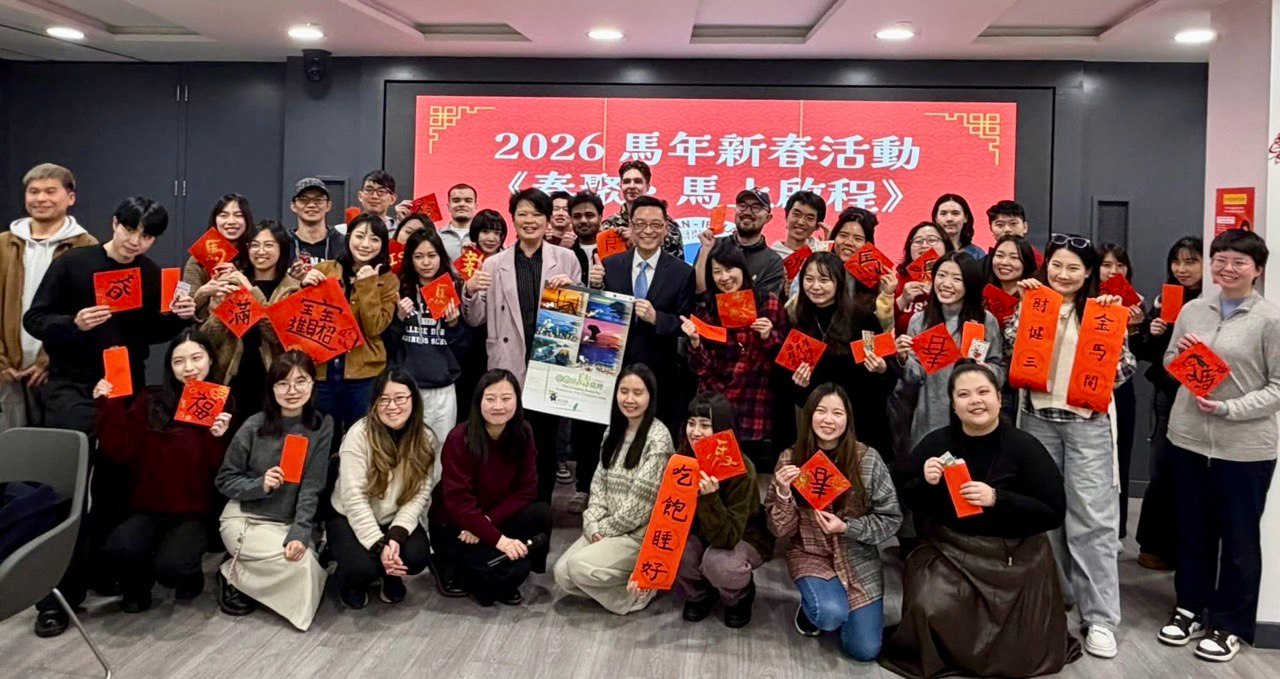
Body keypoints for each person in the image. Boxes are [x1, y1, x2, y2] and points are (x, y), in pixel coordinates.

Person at [24, 196, 196, 638]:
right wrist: (74, 323)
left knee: (119, 485)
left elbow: (150, 331)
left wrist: (177, 319)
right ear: (114, 223)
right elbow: (35, 318)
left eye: (147, 235)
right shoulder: (74, 263)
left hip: (127, 385)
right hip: (74, 385)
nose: (136, 242)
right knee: (68, 488)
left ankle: (116, 576)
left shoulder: (152, 272)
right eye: (130, 230)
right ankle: (56, 595)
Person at [881, 361, 1078, 678]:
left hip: (1016, 555)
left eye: (984, 392)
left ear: (999, 399)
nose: (975, 400)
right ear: (954, 405)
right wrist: (925, 482)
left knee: (1024, 646)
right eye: (964, 394)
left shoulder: (1026, 447)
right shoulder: (936, 443)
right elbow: (906, 495)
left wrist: (998, 499)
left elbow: (1053, 511)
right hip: (950, 549)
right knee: (927, 603)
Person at [1005, 233, 1134, 660]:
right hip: (1038, 420)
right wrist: (1021, 311)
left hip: (1087, 424)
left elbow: (1125, 370)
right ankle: (1056, 598)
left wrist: (1113, 338)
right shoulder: (1032, 304)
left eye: (1073, 268)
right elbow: (1010, 357)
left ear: (1088, 274)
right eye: (1056, 266)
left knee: (1093, 520)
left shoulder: (1102, 311)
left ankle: (1100, 618)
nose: (1063, 274)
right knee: (1046, 514)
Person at [1155, 229, 1280, 662]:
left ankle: (1229, 624)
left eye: (1239, 262)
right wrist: (1183, 353)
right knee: (1192, 531)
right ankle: (1190, 607)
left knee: (1240, 538)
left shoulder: (1270, 320)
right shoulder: (1193, 310)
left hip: (1245, 447)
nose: (1228, 269)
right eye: (1220, 260)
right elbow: (1171, 363)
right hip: (1187, 438)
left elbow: (1278, 388)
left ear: (1258, 270)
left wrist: (1231, 410)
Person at [95, 330, 232, 612]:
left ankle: (188, 576)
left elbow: (223, 472)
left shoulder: (223, 403)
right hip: (148, 507)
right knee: (119, 547)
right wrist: (110, 403)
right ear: (169, 366)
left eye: (196, 358)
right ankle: (137, 585)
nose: (189, 368)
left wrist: (216, 437)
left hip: (193, 512)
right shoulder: (151, 399)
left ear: (210, 361)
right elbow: (121, 450)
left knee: (173, 566)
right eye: (179, 361)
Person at [462, 188, 581, 502]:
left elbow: (582, 320)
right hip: (507, 362)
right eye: (523, 214)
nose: (530, 221)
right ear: (513, 220)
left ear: (547, 220)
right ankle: (505, 505)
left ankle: (539, 507)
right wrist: (470, 290)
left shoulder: (567, 259)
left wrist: (575, 291)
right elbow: (474, 320)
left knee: (544, 442)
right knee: (506, 441)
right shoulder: (493, 264)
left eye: (537, 214)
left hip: (550, 364)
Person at [767, 384, 901, 661]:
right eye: (821, 411)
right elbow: (780, 529)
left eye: (837, 413)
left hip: (857, 557)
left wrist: (847, 527)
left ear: (848, 419)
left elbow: (891, 520)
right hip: (810, 552)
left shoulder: (868, 459)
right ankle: (812, 608)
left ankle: (838, 607)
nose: (828, 420)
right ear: (808, 416)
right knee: (828, 615)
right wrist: (782, 492)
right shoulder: (790, 459)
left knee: (864, 651)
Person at [215, 351, 333, 630]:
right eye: (282, 383)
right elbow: (225, 480)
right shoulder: (254, 425)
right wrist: (260, 484)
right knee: (303, 569)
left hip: (287, 521)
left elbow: (312, 487)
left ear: (313, 384)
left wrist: (300, 532)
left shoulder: (320, 425)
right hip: (246, 518)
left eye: (301, 381)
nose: (292, 390)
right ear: (271, 388)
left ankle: (241, 570)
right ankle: (232, 573)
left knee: (302, 563)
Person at [555, 364, 674, 614]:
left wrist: (603, 529)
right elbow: (598, 483)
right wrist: (592, 521)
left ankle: (638, 593)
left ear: (650, 397)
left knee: (578, 568)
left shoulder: (658, 438)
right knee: (562, 575)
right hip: (607, 526)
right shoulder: (613, 430)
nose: (629, 399)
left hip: (637, 535)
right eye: (624, 391)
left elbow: (639, 508)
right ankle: (624, 585)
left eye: (638, 393)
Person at [430, 369, 551, 606]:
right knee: (493, 586)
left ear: (517, 400)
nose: (498, 406)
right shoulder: (459, 438)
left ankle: (500, 567)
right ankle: (445, 563)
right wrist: (500, 540)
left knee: (541, 514)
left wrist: (487, 523)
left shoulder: (524, 432)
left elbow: (528, 489)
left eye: (506, 399)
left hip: (491, 520)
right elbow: (458, 503)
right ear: (478, 401)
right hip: (458, 525)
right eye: (490, 399)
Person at [328, 370, 436, 609]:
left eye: (400, 398)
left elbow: (419, 493)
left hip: (392, 518)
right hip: (348, 516)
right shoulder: (359, 435)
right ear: (374, 402)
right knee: (362, 567)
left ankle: (390, 573)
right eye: (384, 399)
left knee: (418, 557)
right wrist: (379, 546)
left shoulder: (425, 437)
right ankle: (350, 581)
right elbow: (354, 499)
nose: (392, 406)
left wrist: (396, 536)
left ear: (413, 400)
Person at [0, 163, 96, 432]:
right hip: (7, 372)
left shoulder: (87, 247)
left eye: (50, 191)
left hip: (60, 375)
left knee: (52, 453)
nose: (41, 199)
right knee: (9, 452)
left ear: (70, 198)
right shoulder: (3, 245)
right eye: (34, 191)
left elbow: (89, 315)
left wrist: (48, 361)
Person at [591, 195, 696, 434]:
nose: (648, 231)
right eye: (640, 224)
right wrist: (594, 286)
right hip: (612, 372)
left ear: (666, 228)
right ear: (630, 226)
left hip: (659, 374)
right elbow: (598, 318)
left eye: (656, 225)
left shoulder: (682, 272)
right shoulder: (611, 266)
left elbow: (685, 323)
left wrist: (656, 318)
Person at [1132, 236, 1203, 570]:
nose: (1182, 269)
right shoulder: (1166, 299)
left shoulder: (1211, 304)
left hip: (1205, 398)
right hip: (1168, 395)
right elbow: (1145, 354)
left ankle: (1186, 551)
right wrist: (1151, 330)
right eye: (1177, 261)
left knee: (1196, 476)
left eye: (1191, 261)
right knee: (1163, 469)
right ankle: (1153, 545)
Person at [682, 240, 787, 466]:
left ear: (742, 269)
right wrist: (695, 342)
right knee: (713, 473)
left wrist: (769, 337)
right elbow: (702, 369)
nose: (724, 277)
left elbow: (782, 360)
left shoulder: (767, 303)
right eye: (717, 272)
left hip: (754, 408)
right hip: (715, 411)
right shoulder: (707, 309)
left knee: (750, 474)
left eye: (730, 269)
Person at [675, 392, 774, 628]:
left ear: (721, 429)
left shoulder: (743, 468)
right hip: (704, 534)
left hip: (743, 537)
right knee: (677, 547)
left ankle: (739, 596)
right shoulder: (682, 460)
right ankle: (700, 593)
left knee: (718, 563)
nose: (695, 432)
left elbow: (727, 538)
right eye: (691, 423)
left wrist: (710, 498)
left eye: (705, 425)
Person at [788, 252, 897, 459]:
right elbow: (796, 393)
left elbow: (890, 377)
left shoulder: (863, 318)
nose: (815, 286)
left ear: (838, 282)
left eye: (824, 279)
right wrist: (799, 384)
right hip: (821, 427)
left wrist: (881, 368)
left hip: (862, 424)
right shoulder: (799, 322)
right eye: (809, 280)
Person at [299, 212, 398, 437]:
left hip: (363, 375)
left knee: (362, 438)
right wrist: (304, 286)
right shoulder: (326, 270)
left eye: (374, 239)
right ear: (349, 236)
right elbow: (304, 318)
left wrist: (367, 285)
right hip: (322, 372)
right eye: (360, 236)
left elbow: (374, 328)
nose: (365, 244)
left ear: (383, 246)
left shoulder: (388, 280)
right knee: (322, 438)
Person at [894, 252, 1005, 450]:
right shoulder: (920, 321)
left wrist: (984, 369)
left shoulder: (985, 320)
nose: (946, 283)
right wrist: (902, 358)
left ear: (970, 284)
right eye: (941, 275)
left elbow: (999, 368)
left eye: (957, 279)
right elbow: (914, 376)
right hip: (931, 416)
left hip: (975, 416)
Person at [201, 220, 299, 426]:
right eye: (254, 245)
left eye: (269, 245)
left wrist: (250, 292)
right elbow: (208, 338)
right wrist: (220, 308)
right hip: (231, 375)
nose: (260, 251)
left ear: (282, 249)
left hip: (273, 378)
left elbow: (276, 334)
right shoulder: (231, 282)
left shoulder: (292, 288)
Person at [386, 228, 469, 459]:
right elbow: (385, 346)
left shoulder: (453, 288)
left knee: (441, 449)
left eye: (431, 256)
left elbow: (464, 349)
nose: (425, 263)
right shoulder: (398, 289)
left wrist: (453, 325)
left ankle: (435, 495)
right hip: (406, 386)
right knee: (404, 447)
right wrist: (399, 320)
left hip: (442, 385)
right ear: (409, 259)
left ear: (441, 257)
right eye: (418, 256)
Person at [1098, 243, 1144, 540]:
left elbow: (1139, 356)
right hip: (1084, 391)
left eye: (1120, 265)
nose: (1113, 271)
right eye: (1106, 264)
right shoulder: (1080, 299)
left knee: (1119, 459)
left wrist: (1138, 327)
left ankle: (1117, 532)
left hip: (1120, 390)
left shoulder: (1134, 301)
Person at [454, 208, 508, 423]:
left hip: (502, 335)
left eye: (497, 232)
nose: (491, 238)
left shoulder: (511, 261)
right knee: (469, 395)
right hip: (470, 340)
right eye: (486, 231)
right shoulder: (463, 264)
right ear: (476, 233)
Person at [694, 188, 786, 299]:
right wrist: (705, 250)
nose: (747, 212)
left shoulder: (773, 261)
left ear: (768, 218)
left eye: (756, 207)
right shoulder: (713, 246)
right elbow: (696, 291)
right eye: (742, 206)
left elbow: (766, 302)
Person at [184, 193, 255, 319]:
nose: (231, 221)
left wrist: (240, 278)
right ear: (215, 220)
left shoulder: (256, 254)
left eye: (238, 215)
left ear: (247, 220)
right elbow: (184, 309)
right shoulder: (198, 258)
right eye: (224, 215)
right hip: (205, 331)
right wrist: (203, 292)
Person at [823, 208, 896, 330]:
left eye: (858, 239)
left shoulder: (879, 280)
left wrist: (887, 295)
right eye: (843, 235)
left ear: (868, 245)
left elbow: (884, 329)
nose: (848, 242)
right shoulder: (818, 267)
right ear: (834, 237)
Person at [600, 160, 684, 260]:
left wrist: (638, 242)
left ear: (647, 187)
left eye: (637, 181)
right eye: (627, 182)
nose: (632, 186)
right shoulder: (609, 227)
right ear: (621, 186)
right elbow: (604, 265)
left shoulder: (668, 226)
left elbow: (676, 268)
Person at [894, 222, 954, 335]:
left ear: (945, 245)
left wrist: (936, 295)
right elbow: (882, 323)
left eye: (932, 240)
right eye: (918, 241)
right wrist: (903, 299)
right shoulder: (899, 278)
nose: (924, 245)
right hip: (905, 348)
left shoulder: (958, 275)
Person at [288, 177, 344, 263]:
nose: (311, 205)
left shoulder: (342, 243)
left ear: (328, 205)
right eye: (304, 200)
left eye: (318, 200)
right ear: (293, 206)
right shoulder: (283, 243)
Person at [770, 190, 826, 259]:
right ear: (787, 216)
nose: (801, 222)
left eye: (809, 218)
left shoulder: (822, 254)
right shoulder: (771, 256)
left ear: (817, 225)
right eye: (796, 214)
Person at [340, 170, 398, 235]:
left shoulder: (399, 233)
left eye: (381, 191)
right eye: (369, 190)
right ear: (360, 196)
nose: (374, 196)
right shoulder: (341, 232)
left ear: (392, 199)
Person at [986, 200, 1041, 266]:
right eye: (1000, 224)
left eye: (1013, 223)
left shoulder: (1039, 261)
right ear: (991, 229)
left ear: (1025, 227)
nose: (1007, 230)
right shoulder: (983, 263)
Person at [933, 194, 984, 259]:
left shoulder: (977, 254)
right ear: (936, 219)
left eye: (955, 213)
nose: (949, 219)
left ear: (965, 218)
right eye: (943, 213)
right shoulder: (927, 250)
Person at [566, 190, 603, 279]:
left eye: (589, 215)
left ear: (600, 218)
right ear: (570, 219)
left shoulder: (614, 251)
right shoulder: (565, 254)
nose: (583, 220)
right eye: (577, 216)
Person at [439, 183, 479, 261]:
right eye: (456, 201)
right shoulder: (436, 236)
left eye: (468, 201)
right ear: (449, 207)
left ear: (475, 207)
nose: (462, 204)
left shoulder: (484, 237)